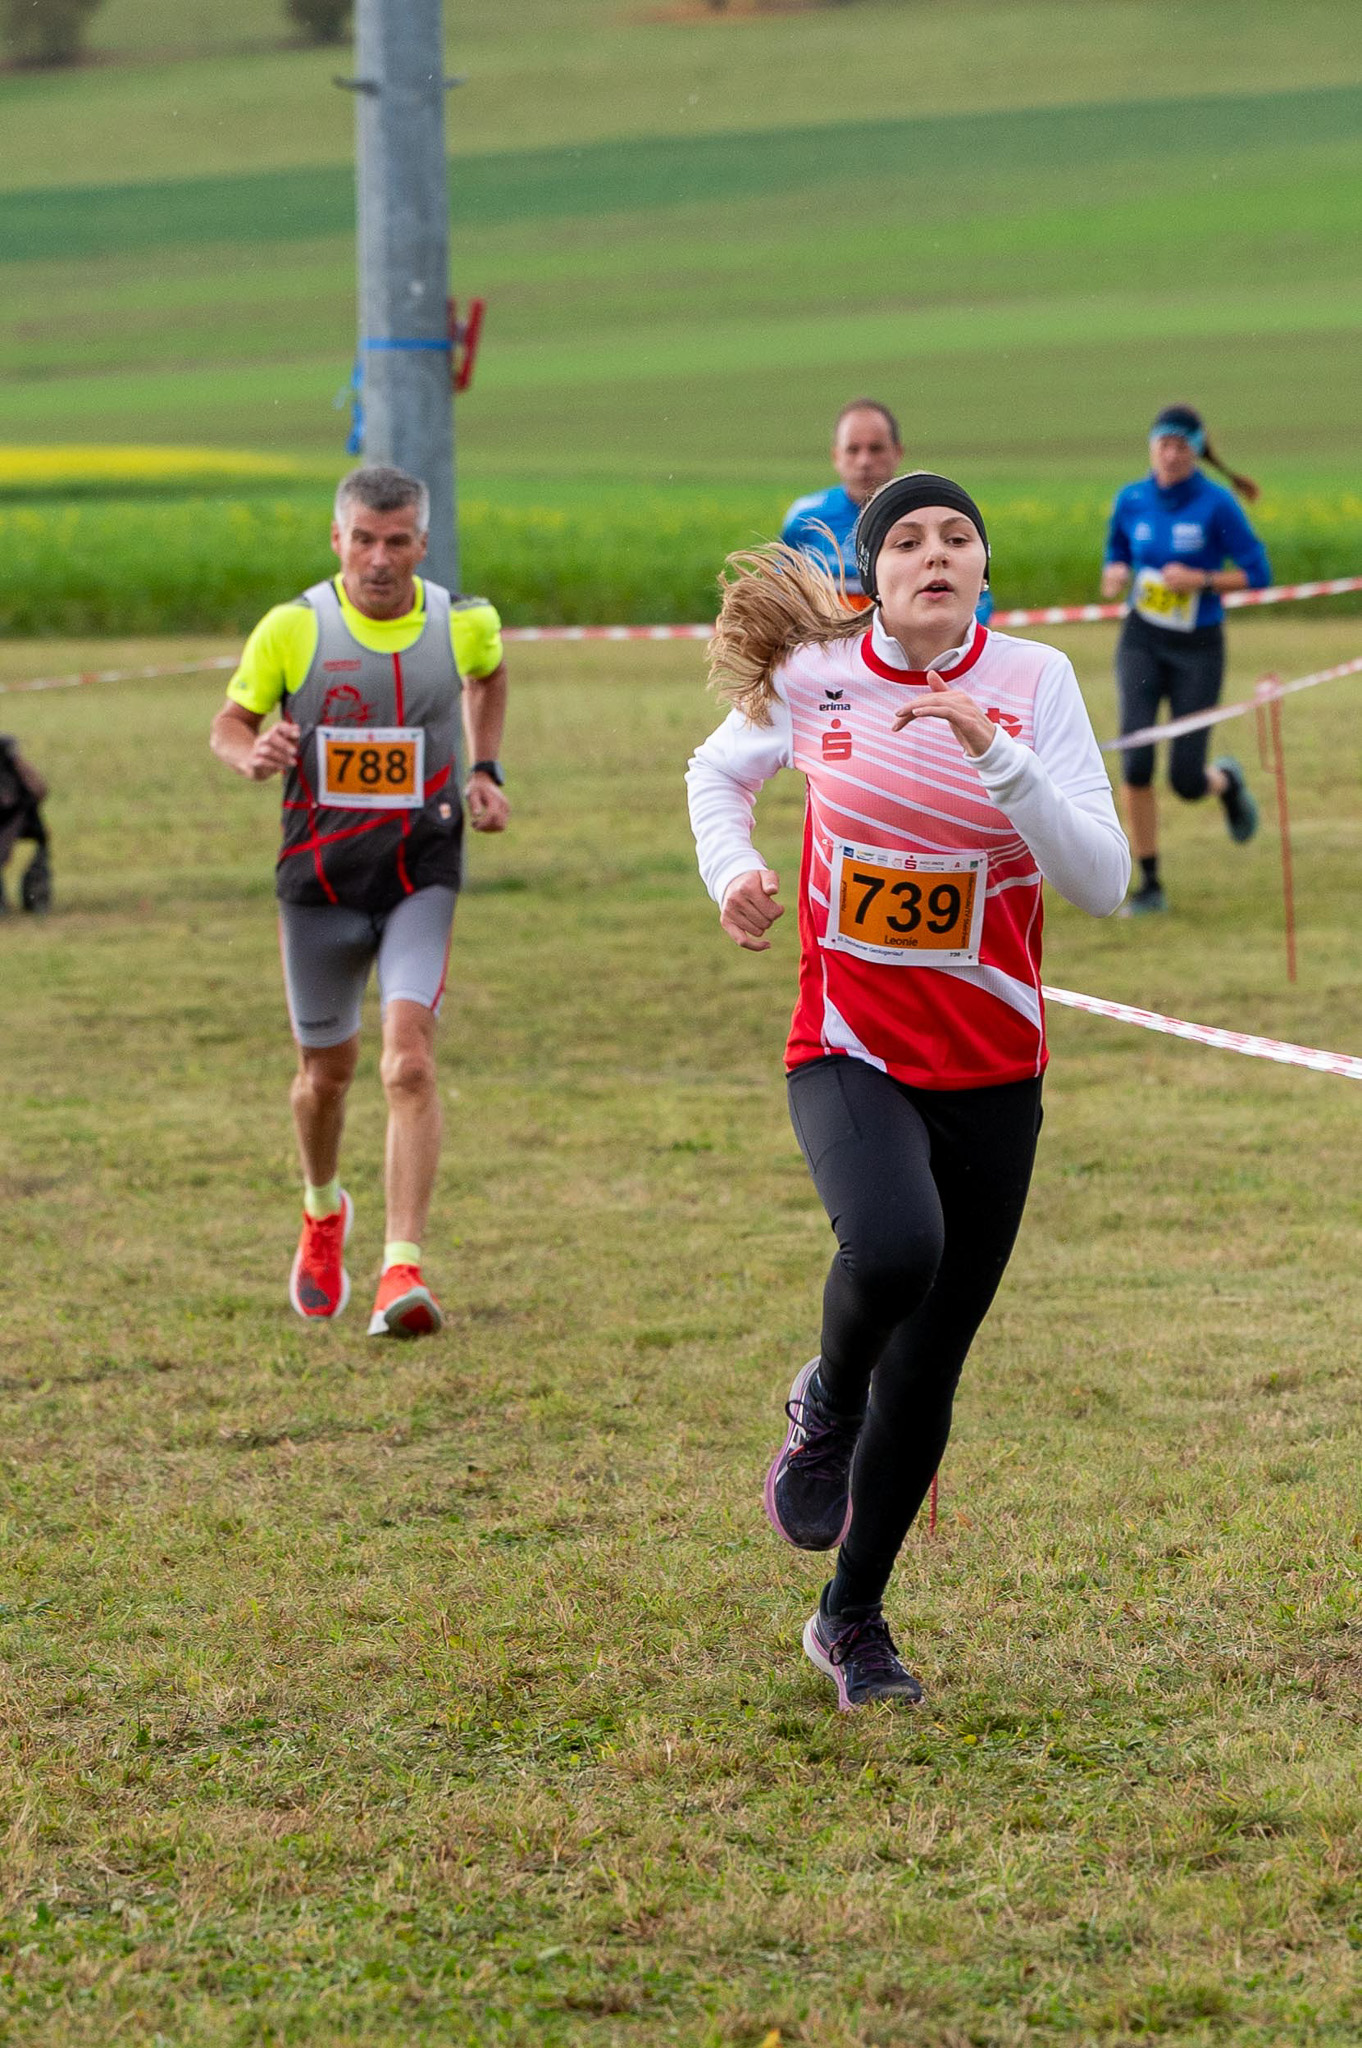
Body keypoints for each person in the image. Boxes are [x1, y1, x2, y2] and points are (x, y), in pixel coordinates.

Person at [686, 473, 1129, 1709]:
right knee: (893, 1247)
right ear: (873, 575)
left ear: (984, 569)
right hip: (850, 1045)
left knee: (929, 1368)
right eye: (908, 540)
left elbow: (1101, 880)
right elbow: (714, 775)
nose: (935, 553)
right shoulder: (817, 675)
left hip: (995, 1067)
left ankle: (851, 1618)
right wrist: (733, 869)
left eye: (959, 537)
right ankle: (826, 1399)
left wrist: (999, 755)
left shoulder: (1035, 681)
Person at [210, 464, 509, 1335]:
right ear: (338, 540)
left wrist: (485, 768)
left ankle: (400, 1270)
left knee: (408, 1063)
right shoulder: (293, 628)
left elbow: (489, 676)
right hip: (319, 883)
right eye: (364, 540)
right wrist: (250, 753)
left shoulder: (463, 623)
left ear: (422, 543)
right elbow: (229, 723)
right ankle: (321, 1209)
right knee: (324, 1079)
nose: (380, 558)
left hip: (421, 871)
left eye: (398, 541)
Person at [1101, 404, 1271, 915]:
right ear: (1151, 447)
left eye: (1181, 445)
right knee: (1136, 760)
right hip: (1141, 640)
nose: (1171, 455)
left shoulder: (1216, 505)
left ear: (1195, 450)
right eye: (1163, 444)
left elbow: (1258, 572)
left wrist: (1203, 580)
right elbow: (1117, 552)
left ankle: (1227, 782)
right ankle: (1149, 884)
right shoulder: (1131, 499)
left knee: (1186, 779)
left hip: (1198, 647)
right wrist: (1115, 572)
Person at [782, 400, 993, 623]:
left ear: (897, 452)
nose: (864, 461)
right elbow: (781, 593)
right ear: (836, 456)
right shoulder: (806, 517)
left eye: (876, 449)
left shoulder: (930, 514)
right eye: (853, 450)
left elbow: (977, 598)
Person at [0, 732, 51, 915]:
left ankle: (35, 899)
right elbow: (40, 791)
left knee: (39, 862)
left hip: (20, 822)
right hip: (19, 824)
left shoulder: (14, 769)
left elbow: (39, 790)